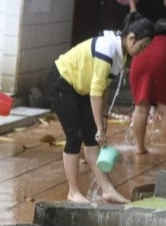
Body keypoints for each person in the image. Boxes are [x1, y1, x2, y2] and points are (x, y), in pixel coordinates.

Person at [44, 12, 155, 204]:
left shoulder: (121, 52)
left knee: (91, 138)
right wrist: (100, 129)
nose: (142, 51)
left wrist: (102, 118)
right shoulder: (107, 50)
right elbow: (95, 92)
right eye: (142, 46)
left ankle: (107, 190)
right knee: (75, 135)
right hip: (61, 81)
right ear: (131, 38)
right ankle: (73, 191)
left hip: (79, 87)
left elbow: (104, 86)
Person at [129, 18, 166, 156]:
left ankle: (139, 147)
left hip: (138, 64)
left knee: (140, 109)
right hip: (163, 66)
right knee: (165, 111)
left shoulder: (147, 37)